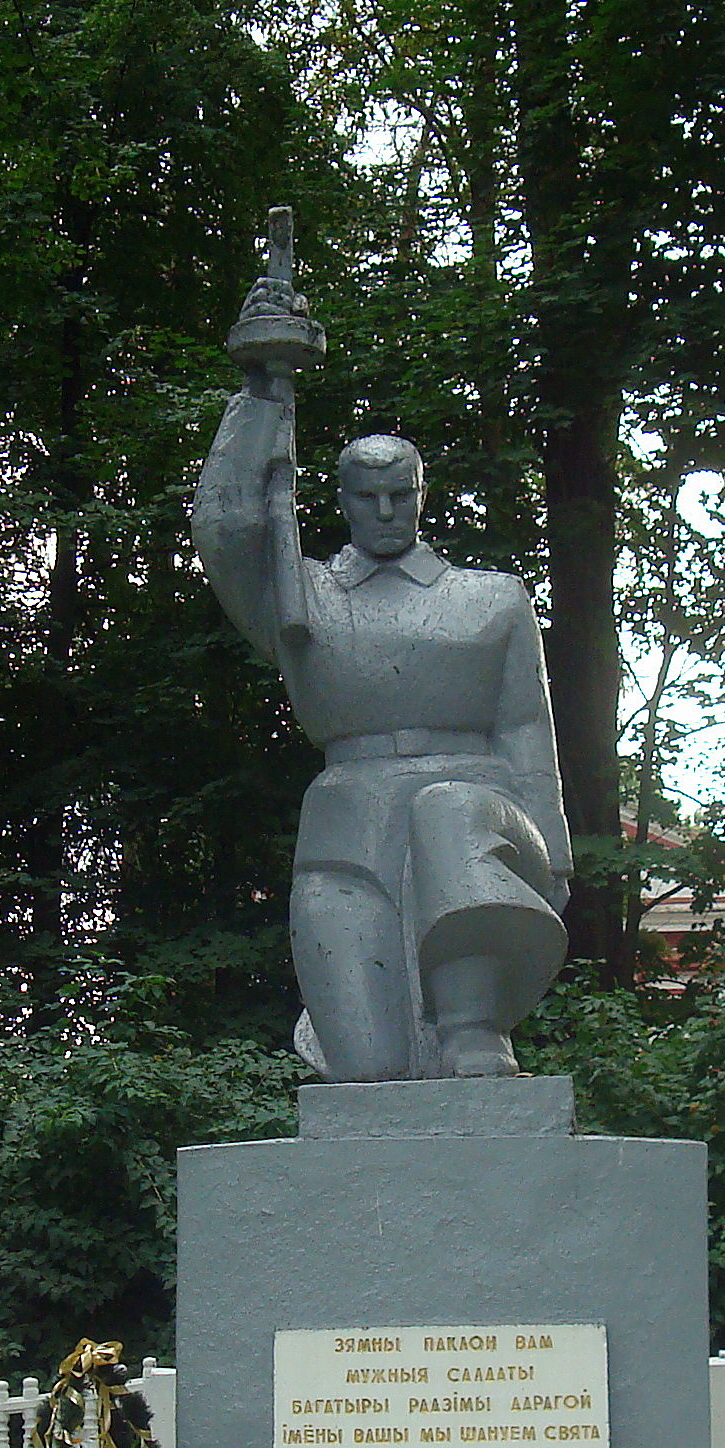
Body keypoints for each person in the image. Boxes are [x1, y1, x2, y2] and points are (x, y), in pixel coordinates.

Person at [191, 273, 571, 1080]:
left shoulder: (491, 600)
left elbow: (525, 728)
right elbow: (224, 529)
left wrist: (556, 855)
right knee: (368, 1073)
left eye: (403, 493)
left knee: (448, 811)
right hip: (347, 822)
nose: (388, 510)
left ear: (423, 495)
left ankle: (475, 1024)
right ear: (344, 499)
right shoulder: (305, 598)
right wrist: (263, 390)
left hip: (473, 810)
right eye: (370, 496)